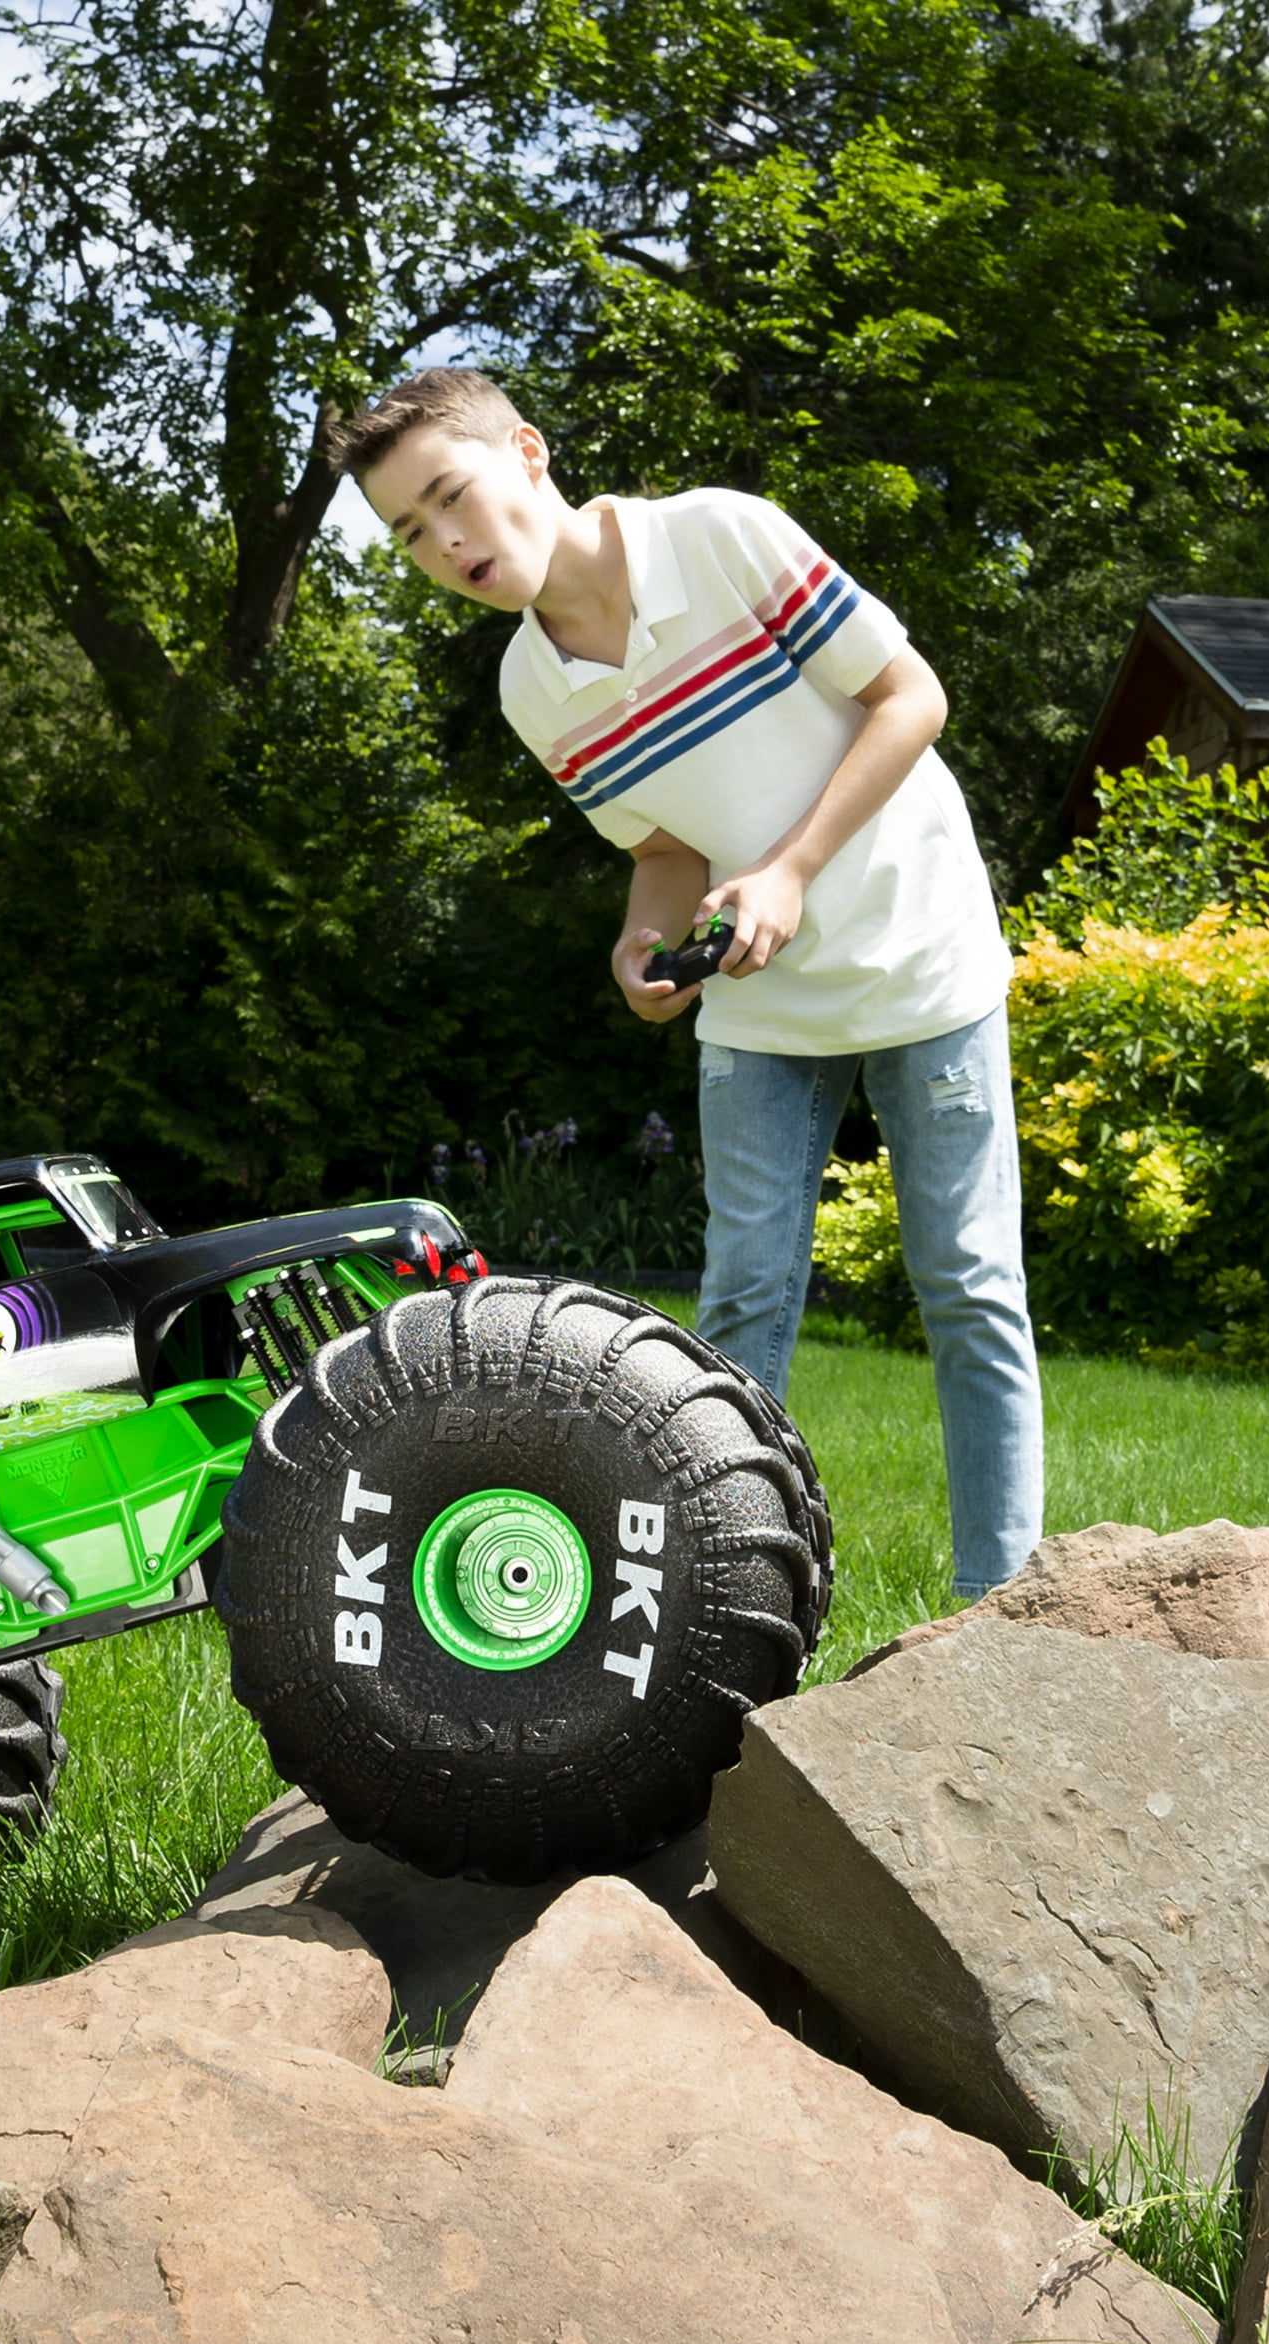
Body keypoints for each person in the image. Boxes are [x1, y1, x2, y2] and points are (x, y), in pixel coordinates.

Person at [340, 367, 1041, 1596]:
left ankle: (1004, 1603)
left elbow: (909, 694)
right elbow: (663, 842)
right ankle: (724, 1600)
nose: (443, 543)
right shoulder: (529, 687)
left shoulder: (720, 535)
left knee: (968, 1285)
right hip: (761, 994)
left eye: (450, 496)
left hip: (918, 949)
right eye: (407, 532)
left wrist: (787, 869)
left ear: (529, 453)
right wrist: (640, 941)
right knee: (740, 1302)